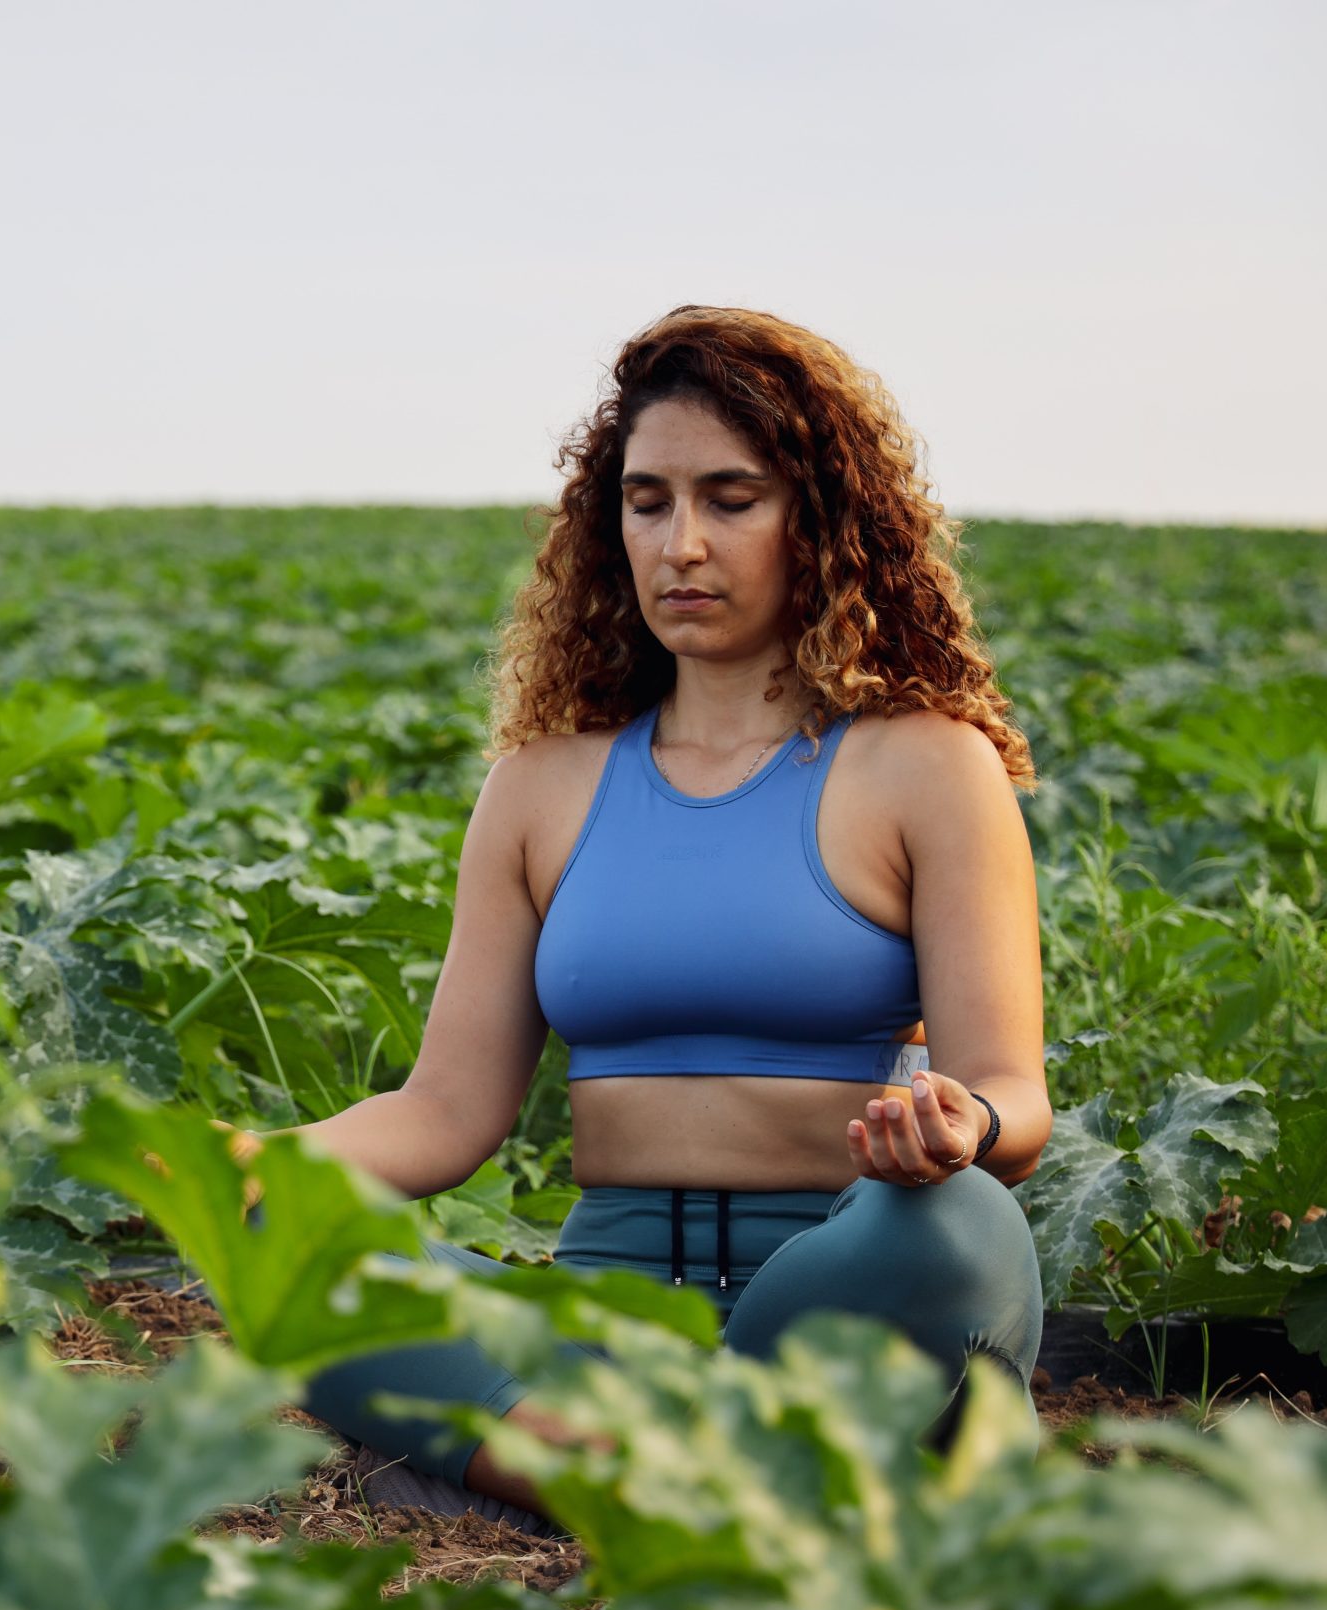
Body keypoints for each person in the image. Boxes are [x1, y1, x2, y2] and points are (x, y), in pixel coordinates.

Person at [216, 304, 1049, 1526]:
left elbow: (1013, 1104)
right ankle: (736, 1480)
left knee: (958, 1232)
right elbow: (444, 1113)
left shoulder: (926, 767)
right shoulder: (539, 788)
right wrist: (247, 1173)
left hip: (838, 1283)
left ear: (817, 517)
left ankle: (614, 1477)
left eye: (732, 498)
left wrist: (956, 1124)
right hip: (599, 1326)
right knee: (298, 1258)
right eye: (648, 501)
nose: (683, 545)